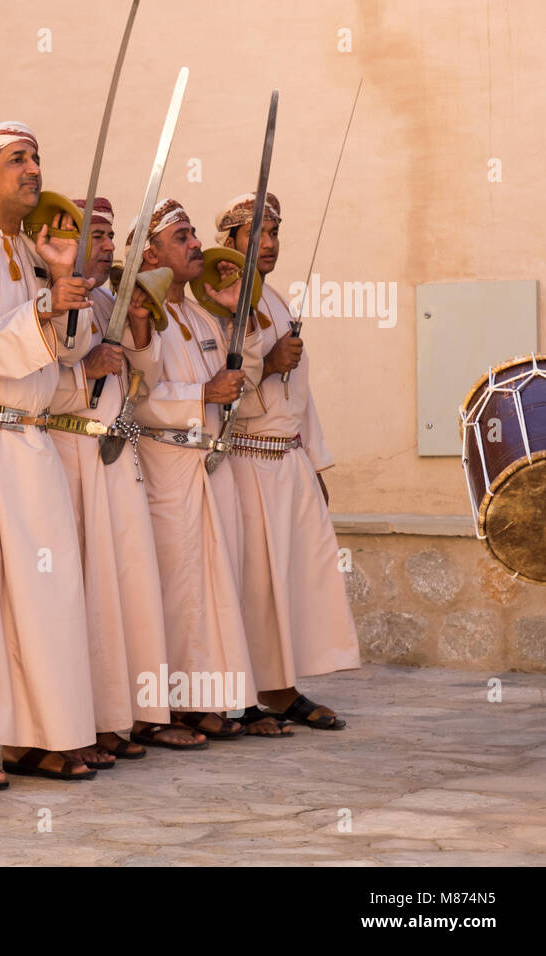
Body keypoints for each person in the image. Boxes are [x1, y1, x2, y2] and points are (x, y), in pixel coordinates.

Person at [0, 122, 100, 783]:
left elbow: (68, 350)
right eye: (16, 160)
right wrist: (41, 310)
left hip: (31, 439)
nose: (33, 169)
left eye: (37, 157)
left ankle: (37, 733)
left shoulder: (33, 250)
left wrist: (60, 285)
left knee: (42, 593)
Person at [48, 197, 207, 755]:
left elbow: (147, 372)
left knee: (127, 589)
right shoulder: (51, 292)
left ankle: (127, 714)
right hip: (65, 449)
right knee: (83, 591)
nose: (109, 247)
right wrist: (82, 375)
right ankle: (79, 723)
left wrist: (138, 322)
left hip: (115, 456)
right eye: (97, 235)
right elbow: (27, 377)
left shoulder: (112, 298)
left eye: (112, 236)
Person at [122, 198, 267, 741]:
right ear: (151, 251)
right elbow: (136, 394)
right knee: (173, 589)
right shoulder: (140, 310)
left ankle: (201, 698)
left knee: (208, 588)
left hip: (209, 465)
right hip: (165, 464)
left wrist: (237, 316)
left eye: (192, 235)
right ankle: (159, 712)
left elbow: (241, 387)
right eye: (181, 236)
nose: (195, 245)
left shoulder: (201, 314)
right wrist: (200, 394)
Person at [216, 192, 360, 729]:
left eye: (275, 232)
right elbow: (222, 391)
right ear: (227, 241)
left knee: (292, 579)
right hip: (247, 461)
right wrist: (269, 363)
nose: (270, 244)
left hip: (289, 463)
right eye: (257, 234)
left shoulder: (273, 299)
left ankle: (281, 687)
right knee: (254, 582)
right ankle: (246, 694)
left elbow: (302, 396)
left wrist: (315, 464)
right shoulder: (220, 300)